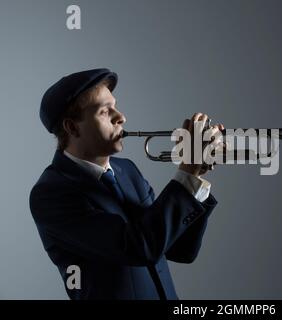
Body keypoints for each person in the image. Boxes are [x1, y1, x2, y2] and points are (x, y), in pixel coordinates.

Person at [29, 68, 224, 300]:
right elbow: (138, 248)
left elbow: (180, 250)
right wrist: (187, 173)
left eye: (115, 106)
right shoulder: (51, 194)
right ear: (72, 127)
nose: (121, 117)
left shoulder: (127, 171)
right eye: (104, 112)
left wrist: (196, 179)